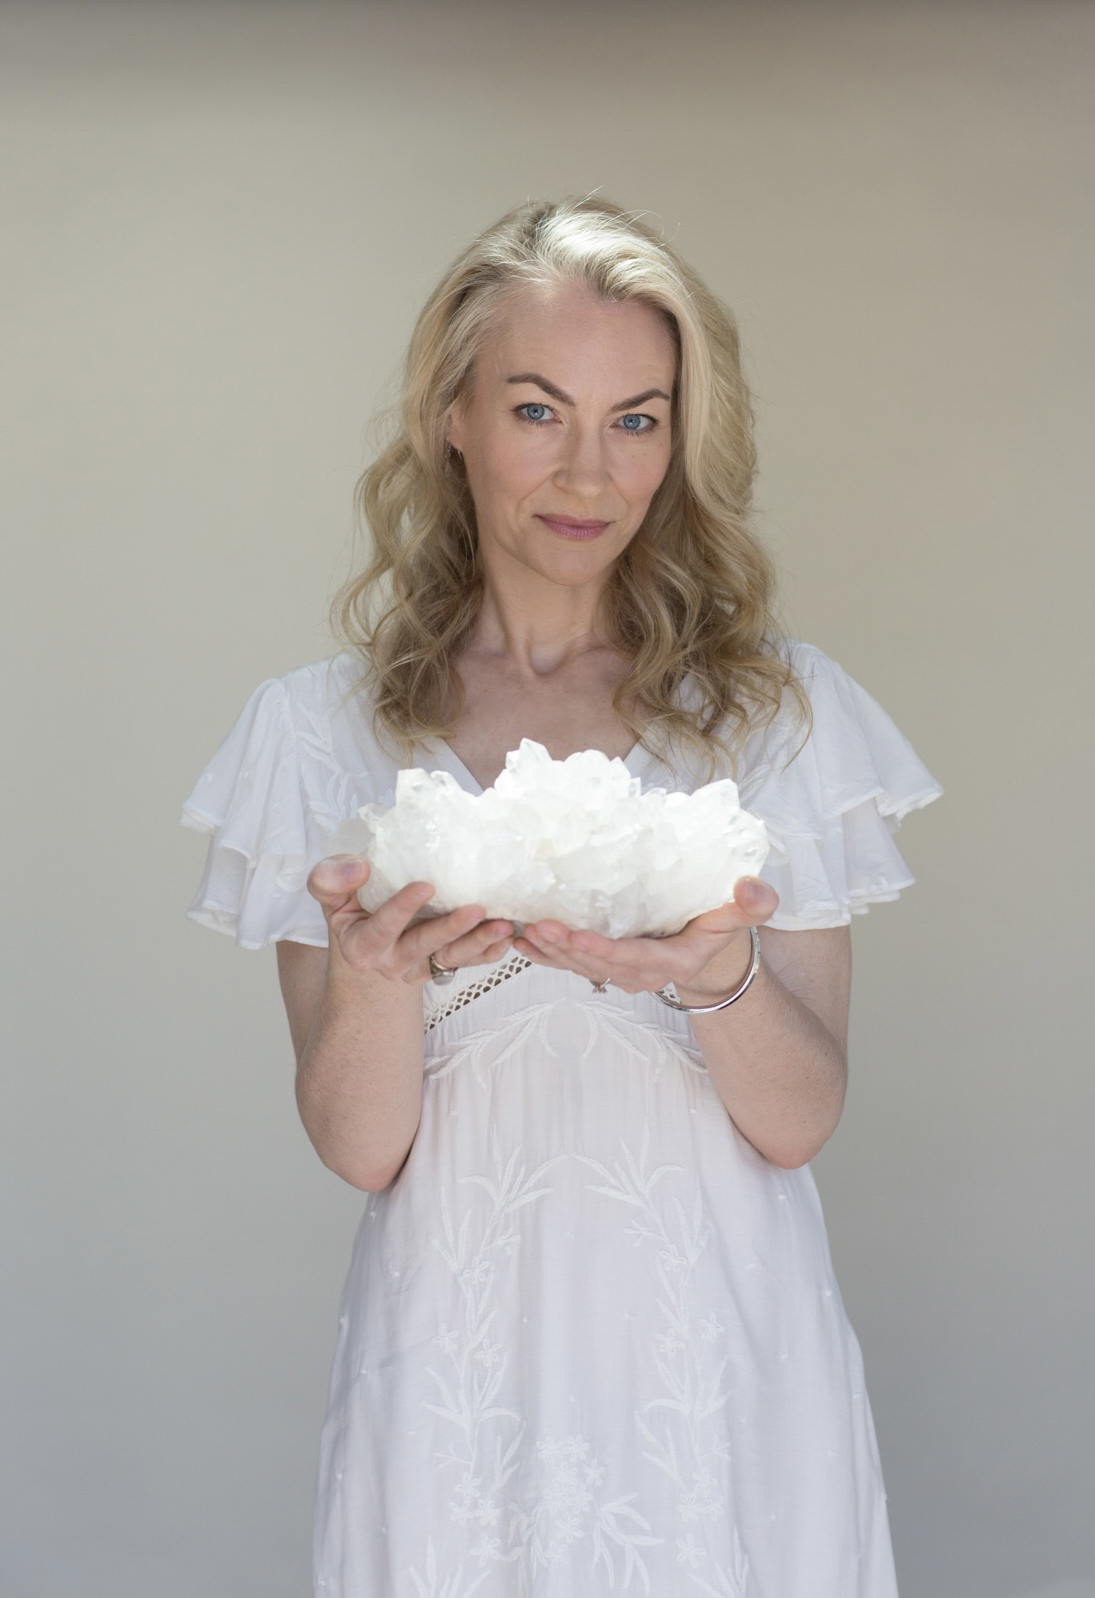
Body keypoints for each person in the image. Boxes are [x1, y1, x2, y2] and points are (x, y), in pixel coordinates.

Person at [181, 196, 941, 1597]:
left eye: (637, 419)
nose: (590, 470)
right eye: (539, 409)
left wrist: (715, 974)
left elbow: (799, 1120)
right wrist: (376, 983)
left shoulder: (780, 716)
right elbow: (360, 1147)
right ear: (453, 415)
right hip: (455, 1376)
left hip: (719, 1372)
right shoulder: (316, 735)